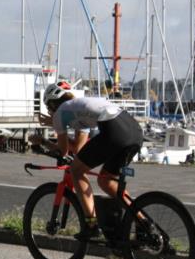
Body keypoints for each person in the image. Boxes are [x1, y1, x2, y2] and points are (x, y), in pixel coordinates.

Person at [37, 82, 144, 239]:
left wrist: (42, 141)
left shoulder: (61, 112)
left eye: (48, 108)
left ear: (53, 103)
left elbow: (63, 151)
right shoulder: (78, 109)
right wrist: (56, 126)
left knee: (76, 170)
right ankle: (143, 222)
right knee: (107, 182)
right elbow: (78, 149)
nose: (49, 112)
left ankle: (91, 225)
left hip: (114, 131)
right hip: (134, 131)